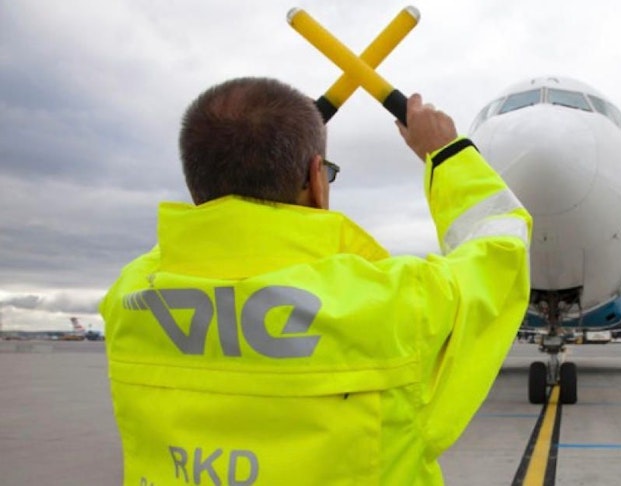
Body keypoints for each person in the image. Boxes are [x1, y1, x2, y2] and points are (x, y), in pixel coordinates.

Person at [100, 77, 532, 485]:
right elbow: (500, 250)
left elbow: (194, 243)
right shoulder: (395, 304)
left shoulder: (132, 297)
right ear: (315, 178)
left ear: (196, 188)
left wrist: (257, 151)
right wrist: (449, 153)